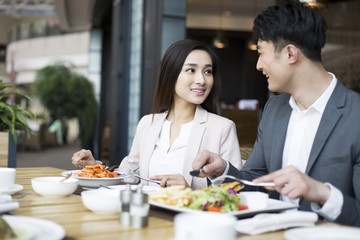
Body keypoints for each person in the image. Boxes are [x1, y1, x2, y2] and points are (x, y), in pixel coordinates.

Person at [192, 0, 360, 227]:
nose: (258, 65)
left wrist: (321, 192)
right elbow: (256, 182)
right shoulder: (273, 110)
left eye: (261, 52)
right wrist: (223, 170)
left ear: (290, 53)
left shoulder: (355, 115)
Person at [72, 39, 242, 189]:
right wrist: (95, 167)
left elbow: (236, 190)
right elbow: (128, 176)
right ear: (171, 74)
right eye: (191, 70)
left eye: (208, 71)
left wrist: (189, 193)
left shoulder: (222, 128)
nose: (202, 80)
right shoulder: (148, 123)